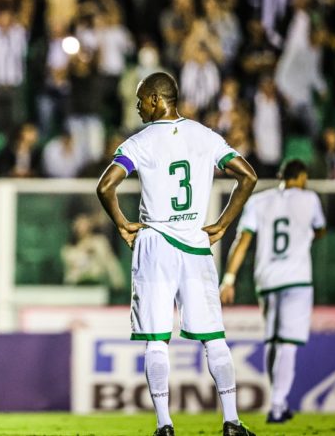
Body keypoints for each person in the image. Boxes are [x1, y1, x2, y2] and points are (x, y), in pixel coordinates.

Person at [96, 72, 257, 436]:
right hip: (196, 244)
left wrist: (122, 222)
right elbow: (247, 175)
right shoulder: (205, 136)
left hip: (155, 243)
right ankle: (231, 421)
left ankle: (165, 424)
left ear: (155, 98)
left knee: (156, 339)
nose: (137, 107)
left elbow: (106, 186)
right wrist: (223, 224)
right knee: (213, 336)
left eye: (140, 100)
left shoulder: (140, 142)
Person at [220, 159, 326, 424]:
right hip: (297, 280)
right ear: (301, 177)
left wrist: (229, 279)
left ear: (281, 176)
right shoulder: (310, 199)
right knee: (287, 344)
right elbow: (320, 229)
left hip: (266, 280)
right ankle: (278, 405)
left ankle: (279, 399)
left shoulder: (259, 201)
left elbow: (242, 241)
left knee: (272, 341)